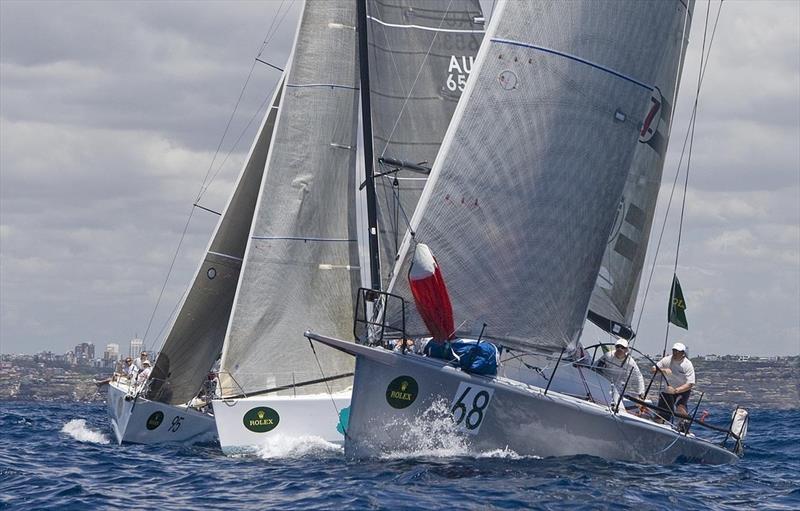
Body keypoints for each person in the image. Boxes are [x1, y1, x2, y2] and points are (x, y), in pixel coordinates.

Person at [652, 341, 695, 422]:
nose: (675, 353)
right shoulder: (666, 360)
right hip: (668, 390)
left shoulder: (687, 364)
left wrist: (675, 391)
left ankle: (684, 427)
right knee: (660, 415)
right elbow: (653, 369)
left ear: (683, 353)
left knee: (680, 408)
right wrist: (663, 370)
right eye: (674, 350)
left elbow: (690, 384)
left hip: (682, 391)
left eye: (678, 351)